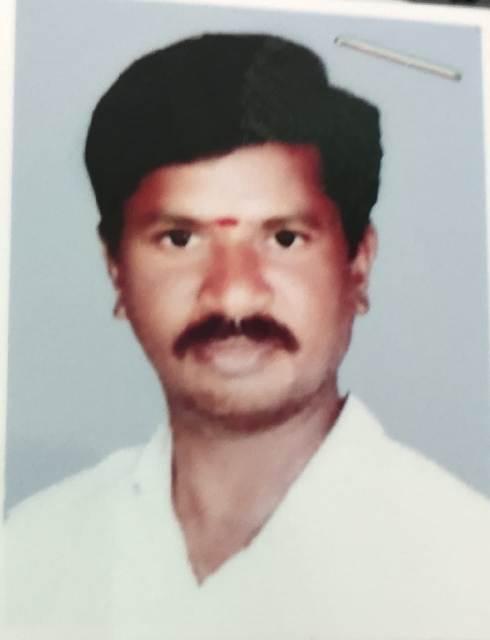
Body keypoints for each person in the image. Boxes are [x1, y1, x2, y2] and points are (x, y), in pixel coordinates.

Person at [4, 32, 490, 639]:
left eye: (284, 238)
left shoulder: (468, 568)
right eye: (180, 239)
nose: (233, 295)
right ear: (116, 271)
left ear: (358, 265)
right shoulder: (26, 558)